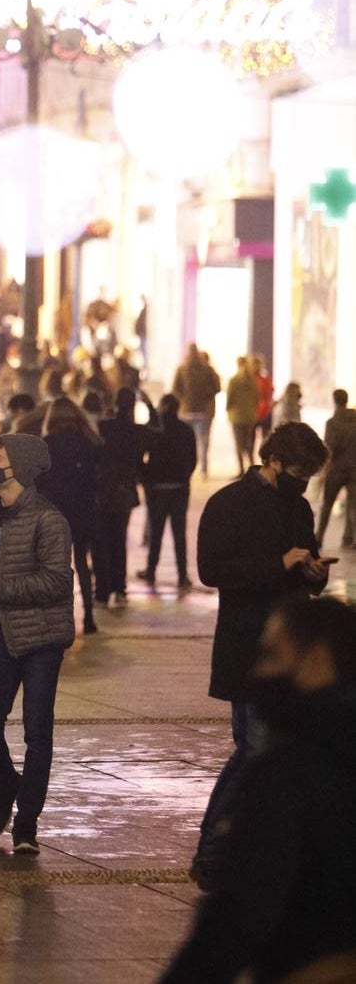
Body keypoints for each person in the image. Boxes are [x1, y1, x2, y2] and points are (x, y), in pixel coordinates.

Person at [160, 597, 356, 984]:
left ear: (315, 660)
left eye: (271, 655)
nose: (260, 672)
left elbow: (236, 918)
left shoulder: (286, 774)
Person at [190, 422, 331, 890]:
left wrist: (311, 571)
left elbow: (306, 571)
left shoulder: (299, 506)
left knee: (260, 751)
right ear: (274, 460)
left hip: (291, 646)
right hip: (247, 644)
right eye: (298, 470)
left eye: (310, 473)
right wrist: (279, 564)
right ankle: (213, 851)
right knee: (254, 751)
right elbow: (211, 571)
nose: (303, 480)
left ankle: (236, 852)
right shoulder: (228, 503)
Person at [0, 432, 74, 856]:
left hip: (41, 638)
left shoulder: (48, 519)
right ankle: (6, 785)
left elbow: (57, 581)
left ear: (17, 467)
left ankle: (26, 823)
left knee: (37, 732)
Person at [37, 397, 103, 635]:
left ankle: (60, 618)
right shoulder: (90, 441)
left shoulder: (47, 444)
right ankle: (88, 615)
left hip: (56, 512)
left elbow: (39, 481)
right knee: (83, 564)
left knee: (58, 566)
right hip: (84, 510)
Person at [97, 387, 154, 608]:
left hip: (103, 489)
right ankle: (119, 588)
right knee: (119, 539)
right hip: (125, 490)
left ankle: (103, 589)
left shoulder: (105, 427)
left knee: (103, 539)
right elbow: (157, 431)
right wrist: (149, 405)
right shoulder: (136, 431)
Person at [136, 394, 197, 592]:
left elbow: (141, 456)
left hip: (158, 488)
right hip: (179, 488)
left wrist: (147, 478)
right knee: (179, 533)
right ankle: (182, 575)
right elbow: (193, 458)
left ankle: (151, 569)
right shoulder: (186, 430)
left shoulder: (155, 430)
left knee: (156, 531)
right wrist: (184, 477)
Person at [172, 344, 221, 477]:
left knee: (185, 440)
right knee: (203, 440)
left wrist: (183, 400)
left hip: (185, 411)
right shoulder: (208, 369)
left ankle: (186, 467)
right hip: (204, 411)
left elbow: (175, 389)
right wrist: (206, 395)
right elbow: (217, 387)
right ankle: (203, 469)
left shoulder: (181, 369)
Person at [317, 387, 356, 549]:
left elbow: (329, 448)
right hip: (354, 469)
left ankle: (319, 537)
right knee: (353, 505)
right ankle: (350, 538)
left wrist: (324, 468)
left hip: (337, 470)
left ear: (335, 401)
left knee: (327, 504)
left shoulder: (332, 423)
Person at [226, 356, 260, 476]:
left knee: (239, 444)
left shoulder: (234, 380)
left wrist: (228, 410)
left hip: (237, 416)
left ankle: (241, 470)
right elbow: (257, 398)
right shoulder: (253, 381)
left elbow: (230, 398)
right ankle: (252, 467)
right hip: (250, 416)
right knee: (249, 444)